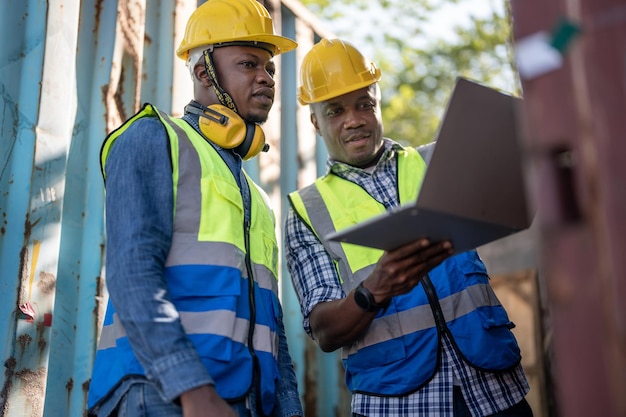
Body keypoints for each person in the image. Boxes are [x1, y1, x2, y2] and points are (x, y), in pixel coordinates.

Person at [284, 38, 533, 417]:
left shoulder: (440, 162)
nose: (354, 119)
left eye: (364, 103)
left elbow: (518, 188)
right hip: (398, 403)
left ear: (378, 101)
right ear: (315, 121)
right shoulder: (306, 211)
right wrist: (375, 289)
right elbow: (324, 331)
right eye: (335, 111)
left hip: (494, 388)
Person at [87, 1, 303, 416]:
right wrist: (193, 389)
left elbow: (271, 326)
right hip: (162, 395)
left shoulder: (255, 197)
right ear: (204, 73)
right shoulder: (153, 137)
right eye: (248, 64)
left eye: (270, 68)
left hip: (246, 402)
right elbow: (133, 274)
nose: (266, 78)